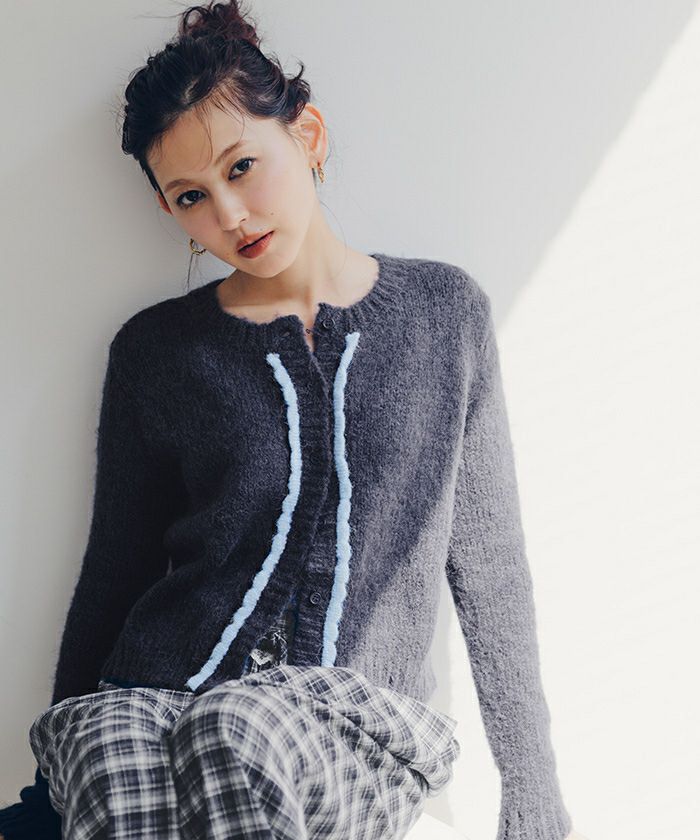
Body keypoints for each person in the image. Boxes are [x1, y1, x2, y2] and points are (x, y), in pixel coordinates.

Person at [0, 2, 579, 838]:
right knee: (108, 746)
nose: (229, 215)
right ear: (170, 212)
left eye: (242, 167)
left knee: (234, 731)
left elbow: (490, 568)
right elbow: (115, 569)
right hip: (158, 692)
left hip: (356, 719)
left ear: (307, 135)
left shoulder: (443, 315)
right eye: (192, 196)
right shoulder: (155, 351)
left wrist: (533, 789)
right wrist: (60, 764)